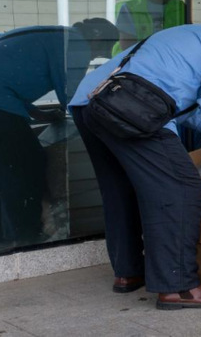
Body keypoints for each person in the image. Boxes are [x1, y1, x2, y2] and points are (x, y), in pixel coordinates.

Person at [68, 16, 201, 310]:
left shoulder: (199, 36)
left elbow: (188, 108)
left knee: (121, 188)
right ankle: (179, 286)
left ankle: (129, 272)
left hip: (92, 102)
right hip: (132, 107)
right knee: (182, 188)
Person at [0, 19, 118, 248]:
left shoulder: (57, 35)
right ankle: (25, 237)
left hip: (5, 101)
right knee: (26, 166)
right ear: (96, 37)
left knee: (10, 170)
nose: (95, 57)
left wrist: (39, 114)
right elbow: (73, 96)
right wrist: (101, 127)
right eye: (101, 49)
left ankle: (11, 234)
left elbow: (11, 79)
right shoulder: (75, 43)